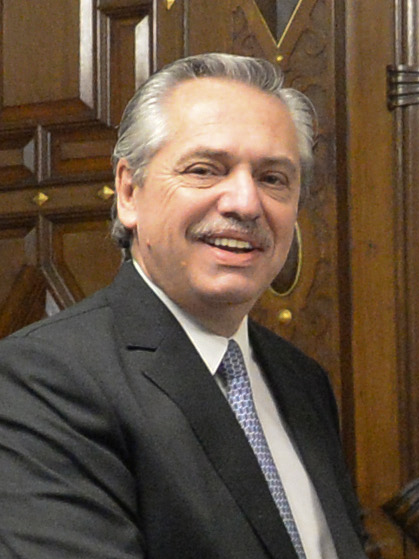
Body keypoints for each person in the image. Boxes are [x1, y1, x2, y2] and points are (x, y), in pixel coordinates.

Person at [0, 53, 367, 559]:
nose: (245, 203)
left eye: (273, 178)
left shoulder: (301, 381)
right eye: (204, 170)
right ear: (129, 192)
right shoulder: (42, 379)